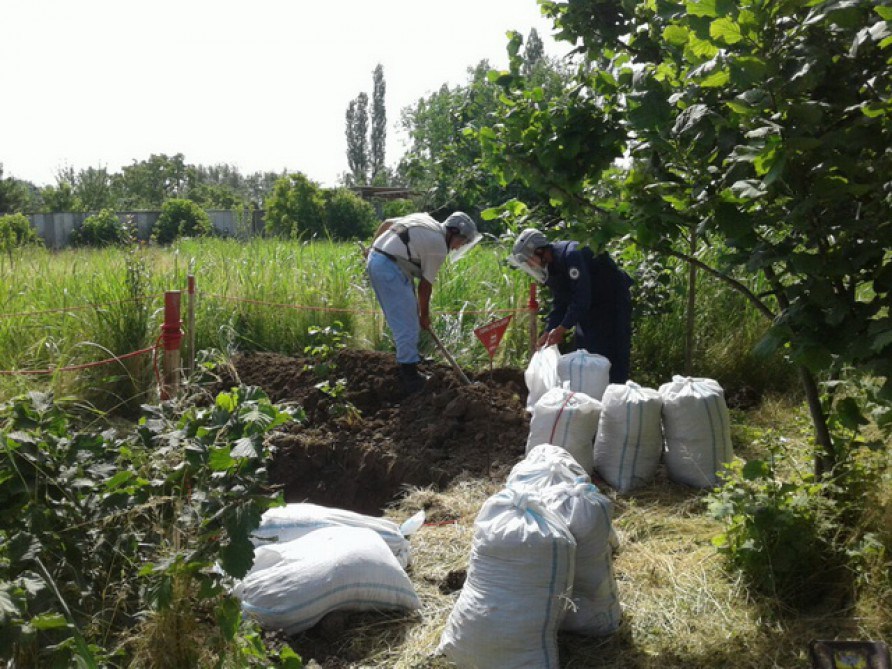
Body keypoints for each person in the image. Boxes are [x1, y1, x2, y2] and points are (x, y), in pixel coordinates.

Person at [367, 211, 481, 394]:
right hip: (389, 269)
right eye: (462, 242)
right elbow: (425, 287)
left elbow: (387, 222)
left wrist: (371, 249)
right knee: (408, 325)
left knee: (408, 318)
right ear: (453, 232)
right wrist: (425, 316)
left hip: (382, 260)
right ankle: (410, 377)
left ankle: (409, 357)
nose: (459, 247)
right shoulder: (438, 247)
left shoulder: (426, 220)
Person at [508, 227, 633, 384]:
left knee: (611, 350)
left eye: (529, 260)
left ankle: (616, 392)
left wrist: (562, 328)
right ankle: (590, 395)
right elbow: (560, 303)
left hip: (612, 303)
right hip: (589, 307)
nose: (530, 265)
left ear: (540, 251)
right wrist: (549, 330)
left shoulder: (571, 255)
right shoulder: (552, 268)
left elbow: (582, 297)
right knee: (585, 350)